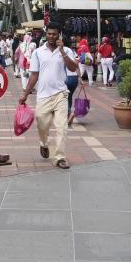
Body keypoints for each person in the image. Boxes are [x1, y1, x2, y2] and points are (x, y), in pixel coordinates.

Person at [18, 23, 76, 169]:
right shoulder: (38, 52)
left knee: (62, 127)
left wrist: (62, 51)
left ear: (59, 35)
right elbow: (34, 75)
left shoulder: (67, 50)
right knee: (42, 124)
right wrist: (25, 93)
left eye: (54, 34)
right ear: (46, 34)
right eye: (49, 34)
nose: (51, 36)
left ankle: (60, 157)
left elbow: (73, 68)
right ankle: (44, 143)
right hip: (43, 96)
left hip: (61, 94)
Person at [64, 38, 80, 127]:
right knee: (69, 96)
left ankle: (69, 114)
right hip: (74, 78)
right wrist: (80, 78)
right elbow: (77, 66)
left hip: (66, 77)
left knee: (63, 97)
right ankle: (68, 113)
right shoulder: (73, 52)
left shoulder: (62, 52)